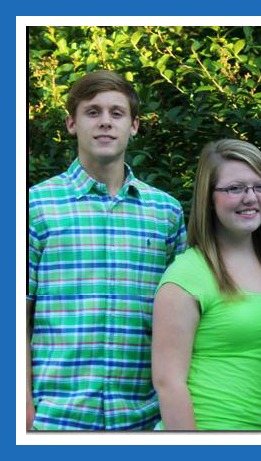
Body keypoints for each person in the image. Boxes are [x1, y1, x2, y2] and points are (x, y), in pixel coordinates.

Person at [27, 69, 187, 430]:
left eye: (117, 113)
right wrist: (20, 405)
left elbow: (181, 322)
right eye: (92, 112)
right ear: (72, 124)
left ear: (134, 126)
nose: (105, 122)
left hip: (142, 420)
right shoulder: (34, 207)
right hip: (56, 419)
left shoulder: (165, 212)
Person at [151, 139, 261, 430]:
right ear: (208, 198)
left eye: (260, 187)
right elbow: (168, 383)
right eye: (235, 188)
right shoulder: (187, 275)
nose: (250, 197)